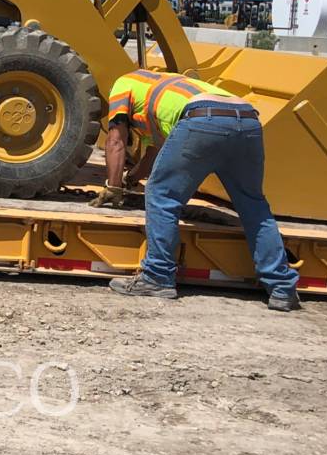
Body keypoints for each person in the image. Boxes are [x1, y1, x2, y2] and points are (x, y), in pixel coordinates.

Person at [90, 68, 300, 311]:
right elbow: (154, 154)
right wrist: (131, 178)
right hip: (248, 120)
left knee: (161, 195)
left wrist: (113, 187)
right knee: (253, 204)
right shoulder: (167, 92)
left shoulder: (123, 83)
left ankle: (157, 276)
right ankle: (282, 288)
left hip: (203, 120)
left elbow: (116, 140)